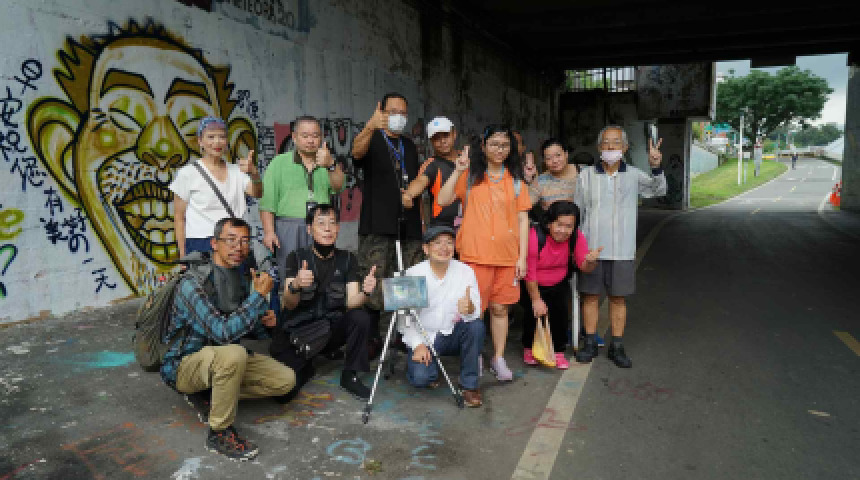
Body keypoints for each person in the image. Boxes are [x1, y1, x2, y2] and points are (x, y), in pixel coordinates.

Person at [160, 217, 295, 461]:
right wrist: (257, 297)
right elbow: (222, 332)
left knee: (285, 380)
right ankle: (219, 432)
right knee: (234, 353)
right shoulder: (193, 282)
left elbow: (245, 327)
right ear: (214, 243)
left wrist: (267, 322)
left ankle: (210, 394)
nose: (238, 248)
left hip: (222, 360)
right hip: (185, 364)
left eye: (244, 241)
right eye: (231, 240)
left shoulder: (240, 276)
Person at [437, 125, 531, 382]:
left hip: (507, 257)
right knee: (474, 311)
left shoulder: (516, 181)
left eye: (505, 145)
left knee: (501, 310)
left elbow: (523, 219)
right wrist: (458, 170)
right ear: (484, 146)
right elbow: (443, 200)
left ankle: (498, 358)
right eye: (494, 144)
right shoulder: (470, 177)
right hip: (474, 256)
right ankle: (474, 356)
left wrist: (522, 257)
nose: (500, 150)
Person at [574, 126, 666, 368]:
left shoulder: (634, 175)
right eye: (605, 142)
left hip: (622, 250)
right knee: (590, 297)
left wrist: (656, 167)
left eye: (616, 142)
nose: (610, 146)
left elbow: (659, 190)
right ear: (599, 147)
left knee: (618, 299)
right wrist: (579, 248)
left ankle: (617, 346)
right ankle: (590, 342)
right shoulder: (585, 176)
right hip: (592, 250)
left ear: (625, 147)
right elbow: (578, 212)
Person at [270, 204, 377, 400]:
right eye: (321, 223)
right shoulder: (296, 257)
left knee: (360, 317)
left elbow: (352, 302)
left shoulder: (347, 259)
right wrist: (296, 285)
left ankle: (350, 375)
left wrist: (366, 292)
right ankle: (306, 366)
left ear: (338, 228)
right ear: (309, 229)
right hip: (299, 333)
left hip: (329, 332)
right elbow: (289, 304)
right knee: (284, 392)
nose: (328, 229)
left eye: (332, 223)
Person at [351, 93, 425, 348]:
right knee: (374, 278)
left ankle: (405, 336)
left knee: (408, 280)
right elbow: (356, 153)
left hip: (408, 225)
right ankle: (372, 337)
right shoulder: (371, 138)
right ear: (381, 112)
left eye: (403, 113)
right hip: (377, 225)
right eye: (393, 112)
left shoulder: (410, 146)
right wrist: (370, 126)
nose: (399, 117)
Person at [400, 226, 484, 406]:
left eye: (449, 243)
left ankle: (469, 385)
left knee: (476, 326)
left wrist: (469, 308)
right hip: (425, 337)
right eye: (437, 243)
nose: (444, 248)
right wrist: (418, 344)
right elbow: (405, 319)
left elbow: (476, 310)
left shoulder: (465, 272)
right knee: (421, 379)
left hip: (453, 334)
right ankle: (423, 364)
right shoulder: (413, 274)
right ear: (426, 249)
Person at [259, 115, 345, 281]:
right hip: (288, 227)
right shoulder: (279, 162)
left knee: (322, 273)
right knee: (289, 275)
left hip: (320, 225)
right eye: (305, 136)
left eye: (315, 136)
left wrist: (331, 165)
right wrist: (269, 232)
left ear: (321, 137)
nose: (310, 140)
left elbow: (338, 186)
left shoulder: (327, 162)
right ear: (294, 137)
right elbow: (267, 202)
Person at [521, 201, 601, 369]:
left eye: (568, 226)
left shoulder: (576, 237)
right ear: (549, 222)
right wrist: (536, 300)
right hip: (533, 282)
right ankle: (528, 347)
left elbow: (584, 267)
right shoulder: (534, 236)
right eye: (559, 225)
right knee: (532, 314)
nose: (563, 231)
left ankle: (558, 351)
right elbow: (530, 272)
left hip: (559, 282)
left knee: (560, 315)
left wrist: (591, 261)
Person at [171, 117, 261, 257]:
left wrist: (254, 173)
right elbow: (179, 217)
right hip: (200, 243)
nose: (217, 142)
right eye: (211, 137)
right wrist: (183, 254)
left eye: (222, 137)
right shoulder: (187, 173)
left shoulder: (237, 171)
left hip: (234, 241)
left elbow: (257, 193)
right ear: (200, 141)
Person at [401, 116, 463, 230]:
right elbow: (420, 181)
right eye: (436, 138)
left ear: (454, 134)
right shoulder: (431, 165)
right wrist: (408, 194)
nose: (442, 141)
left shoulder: (468, 160)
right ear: (431, 141)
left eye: (446, 135)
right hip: (443, 229)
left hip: (471, 225)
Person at [529, 138, 578, 210]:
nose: (554, 161)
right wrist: (528, 179)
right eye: (549, 158)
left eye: (558, 155)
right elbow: (524, 205)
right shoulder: (540, 182)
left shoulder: (583, 174)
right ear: (544, 161)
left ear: (566, 154)